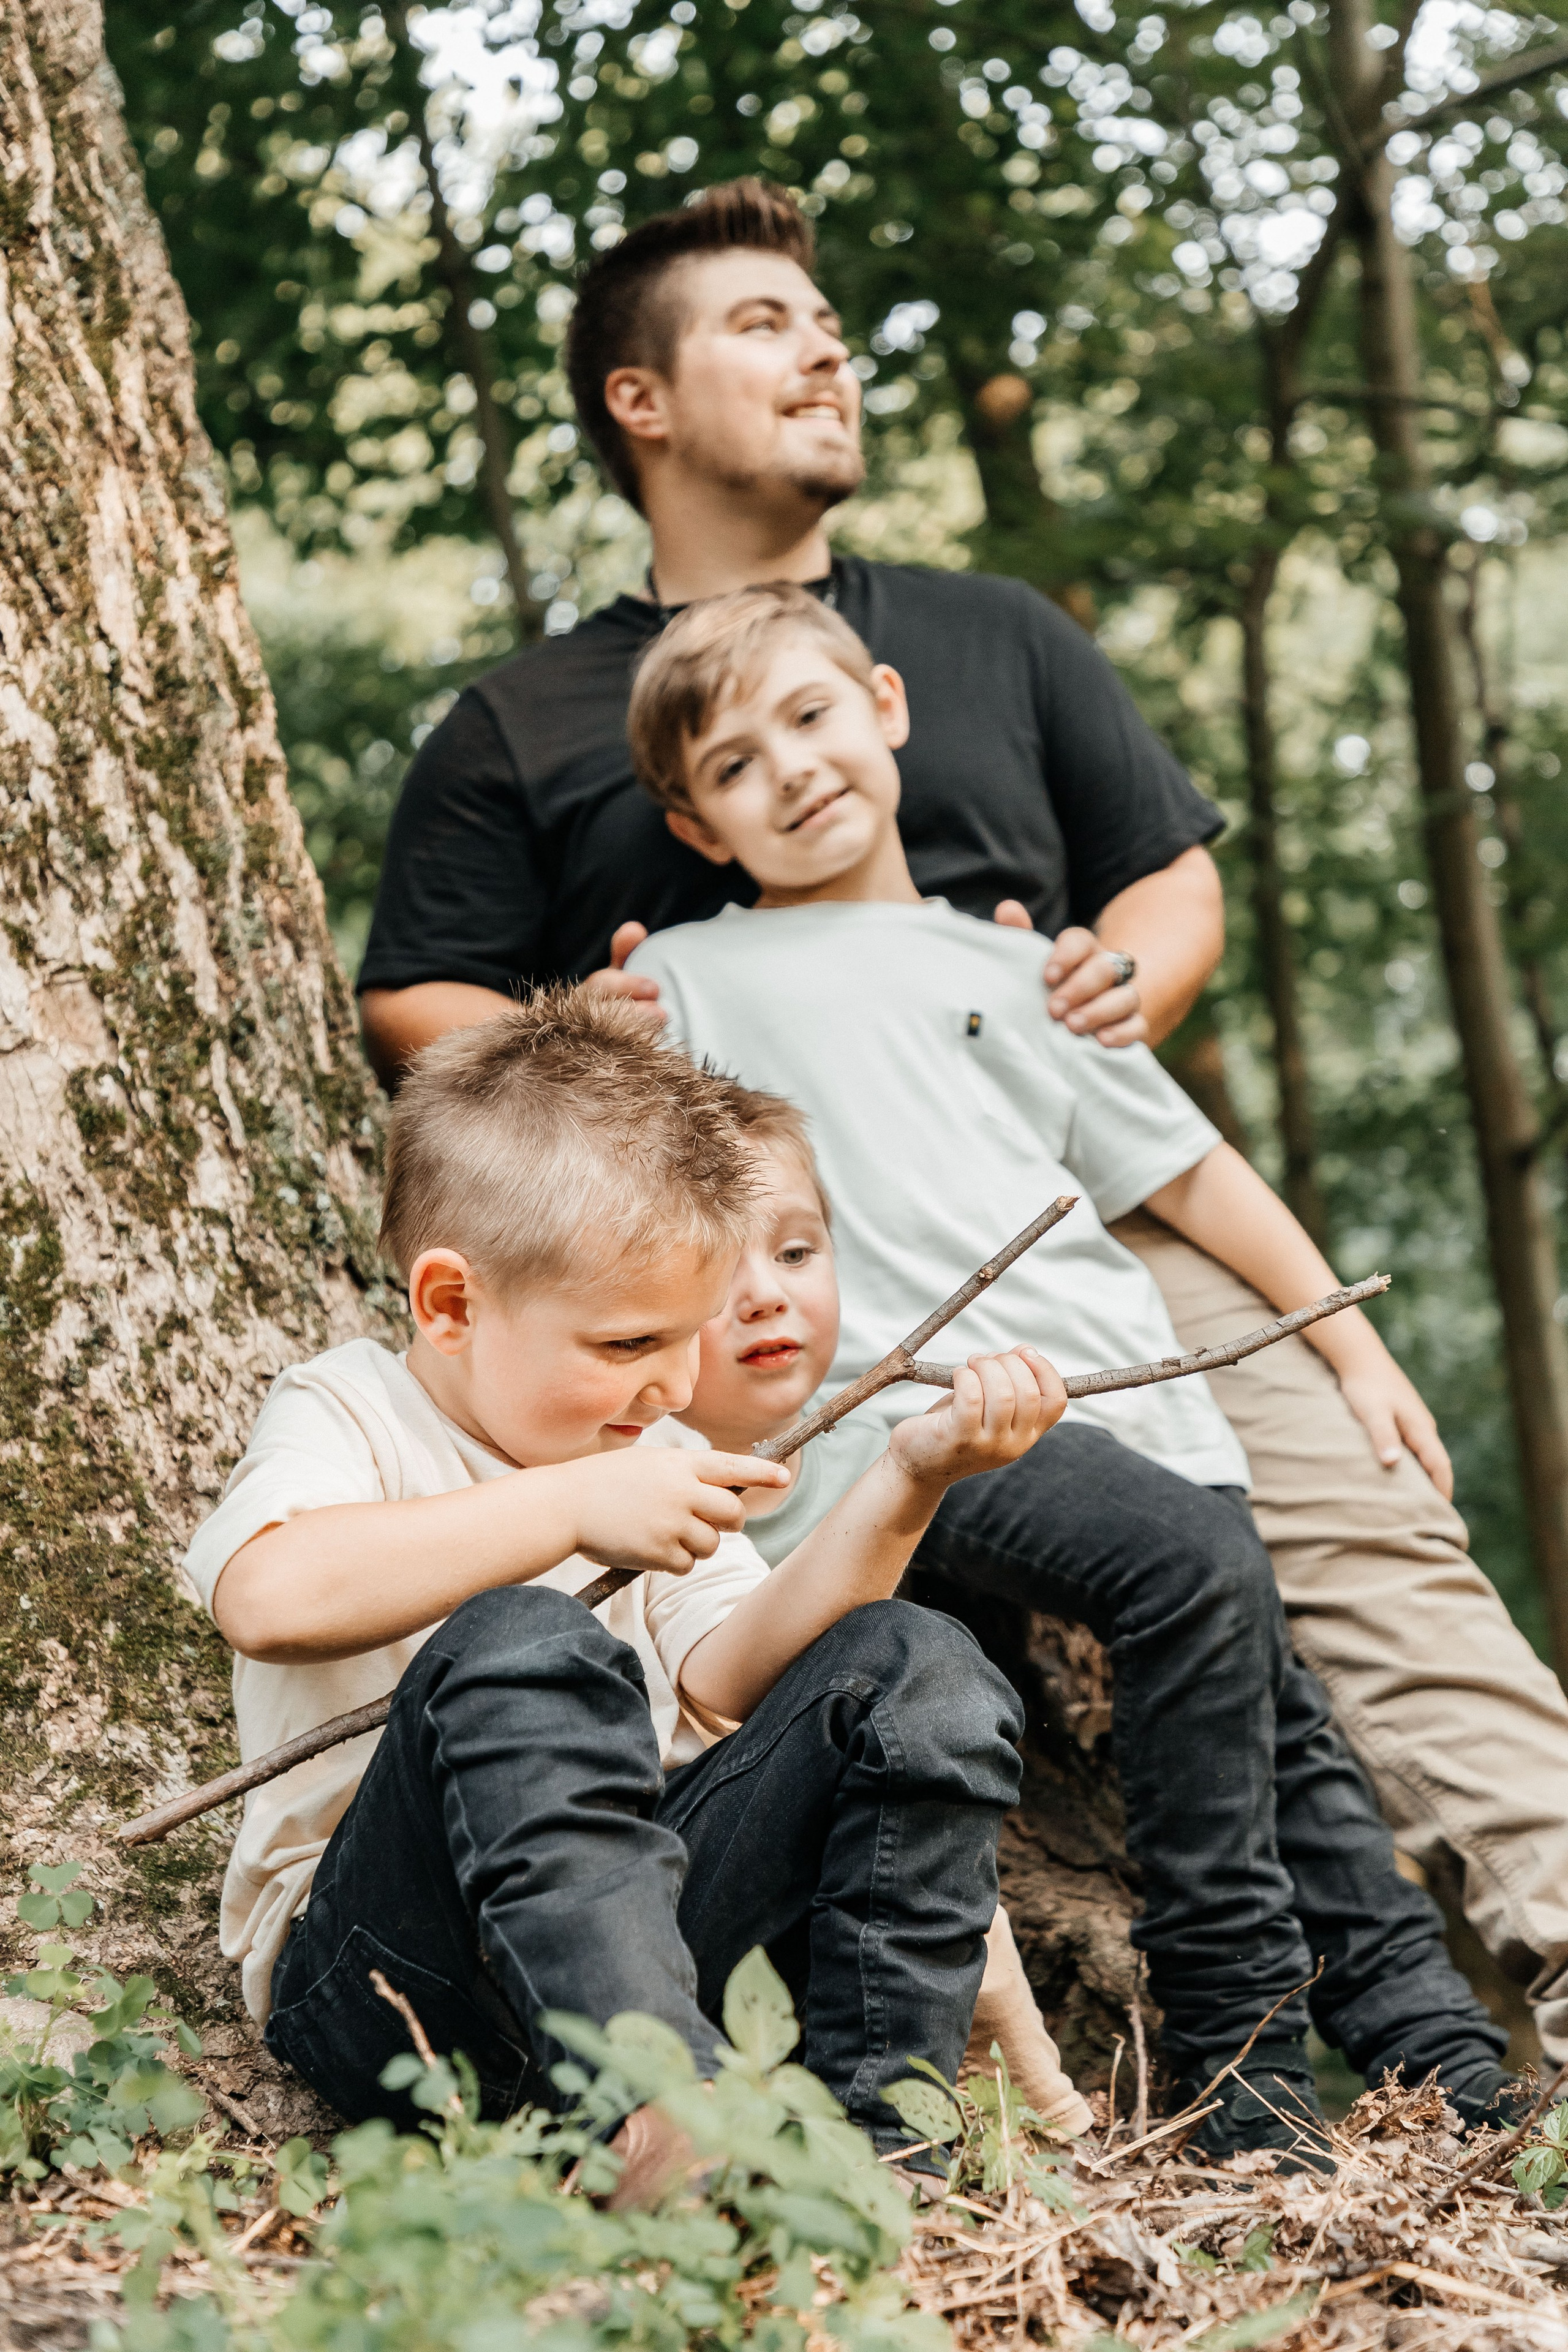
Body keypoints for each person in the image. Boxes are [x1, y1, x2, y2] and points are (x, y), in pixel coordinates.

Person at [355, 175, 1568, 2064]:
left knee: (1363, 1532)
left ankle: (1531, 1957)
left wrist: (1097, 997)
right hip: (770, 1286)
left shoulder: (988, 632)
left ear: (886, 711)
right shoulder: (526, 719)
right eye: (764, 324)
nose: (825, 350)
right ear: (639, 403)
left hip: (1082, 1207)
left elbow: (1170, 888)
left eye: (825, 323)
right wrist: (579, 1041)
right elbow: (416, 1006)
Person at [620, 579, 1521, 2165]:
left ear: (888, 709)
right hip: (917, 1423)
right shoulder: (689, 986)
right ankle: (1238, 2070)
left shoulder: (1030, 968)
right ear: (700, 828)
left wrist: (1351, 1347)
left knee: (1287, 1740)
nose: (797, 770)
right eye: (739, 766)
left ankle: (1457, 2083)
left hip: (1144, 1403)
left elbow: (1192, 1179)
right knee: (1193, 1569)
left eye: (814, 718)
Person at [186, 986, 1061, 2188]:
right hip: (395, 1974)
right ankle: (662, 2113)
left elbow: (734, 1672)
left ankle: (886, 2139)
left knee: (916, 1664)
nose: (669, 1387)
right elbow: (268, 1598)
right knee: (522, 1639)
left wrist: (909, 1479)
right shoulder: (348, 1408)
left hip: (640, 1949)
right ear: (450, 1304)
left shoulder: (642, 1455)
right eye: (624, 1345)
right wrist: (563, 1512)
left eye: (686, 1338)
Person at [649, 1085, 1095, 2139]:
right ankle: (987, 2032)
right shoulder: (648, 1464)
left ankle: (958, 2063)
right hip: (668, 1897)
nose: (764, 1297)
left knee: (912, 1684)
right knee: (886, 1677)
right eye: (719, 1274)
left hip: (765, 1882)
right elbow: (751, 1690)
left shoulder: (844, 1436)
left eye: (797, 1254)